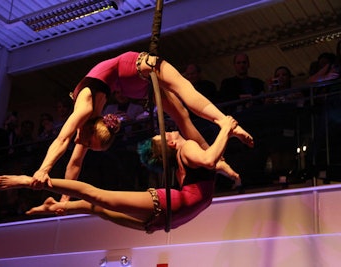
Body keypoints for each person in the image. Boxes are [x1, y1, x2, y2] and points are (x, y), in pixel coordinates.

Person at [33, 51, 253, 202]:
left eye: (89, 144)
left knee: (183, 94)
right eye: (91, 146)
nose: (83, 145)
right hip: (131, 81)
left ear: (92, 131)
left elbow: (62, 141)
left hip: (129, 69)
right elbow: (75, 163)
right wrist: (65, 198)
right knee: (181, 111)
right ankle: (220, 153)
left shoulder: (83, 110)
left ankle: (224, 133)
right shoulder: (90, 123)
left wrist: (44, 169)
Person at [0, 115, 240, 233]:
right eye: (168, 134)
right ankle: (32, 181)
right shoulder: (187, 147)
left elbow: (214, 163)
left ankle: (56, 207)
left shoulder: (185, 154)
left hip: (175, 215)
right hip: (174, 210)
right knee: (98, 197)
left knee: (98, 207)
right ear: (171, 145)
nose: (173, 132)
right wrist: (225, 130)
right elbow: (210, 159)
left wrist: (231, 173)